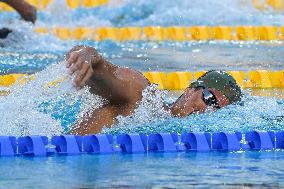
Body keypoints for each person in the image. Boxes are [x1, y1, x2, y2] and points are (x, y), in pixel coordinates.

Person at [65, 45, 242, 135]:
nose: (209, 110)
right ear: (191, 90)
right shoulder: (143, 98)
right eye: (210, 99)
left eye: (217, 110)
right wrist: (86, 55)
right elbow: (104, 69)